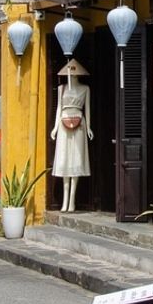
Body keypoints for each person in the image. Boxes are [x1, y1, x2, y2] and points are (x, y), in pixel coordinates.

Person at [49, 60, 92, 212]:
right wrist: (55, 128)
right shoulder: (61, 88)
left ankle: (72, 200)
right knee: (64, 159)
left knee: (76, 160)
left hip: (79, 123)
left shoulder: (85, 89)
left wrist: (89, 128)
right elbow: (59, 109)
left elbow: (87, 109)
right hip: (63, 123)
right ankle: (65, 200)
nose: (71, 76)